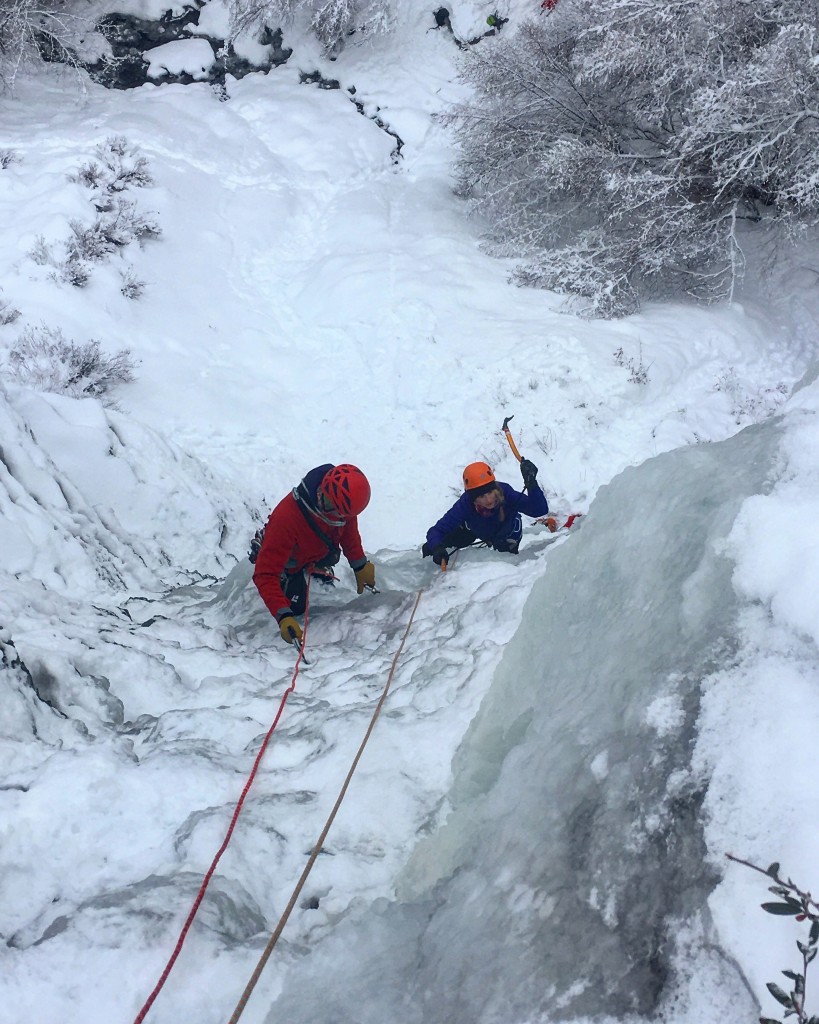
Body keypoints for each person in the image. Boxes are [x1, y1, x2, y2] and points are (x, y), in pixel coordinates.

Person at [253, 463, 376, 645]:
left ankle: (313, 563)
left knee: (331, 553)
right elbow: (265, 574)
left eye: (343, 515)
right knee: (296, 608)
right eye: (331, 508)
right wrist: (283, 615)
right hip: (290, 557)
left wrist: (359, 565)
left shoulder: (342, 505)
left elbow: (349, 534)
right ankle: (287, 572)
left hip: (313, 547)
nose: (338, 517)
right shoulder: (287, 518)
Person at [421, 459, 548, 565]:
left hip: (507, 533)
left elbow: (539, 509)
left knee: (505, 565)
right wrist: (437, 547)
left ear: (495, 489)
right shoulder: (466, 503)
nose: (488, 500)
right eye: (481, 496)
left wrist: (532, 484)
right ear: (473, 498)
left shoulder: (505, 493)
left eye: (489, 493)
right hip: (476, 529)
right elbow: (437, 530)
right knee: (430, 547)